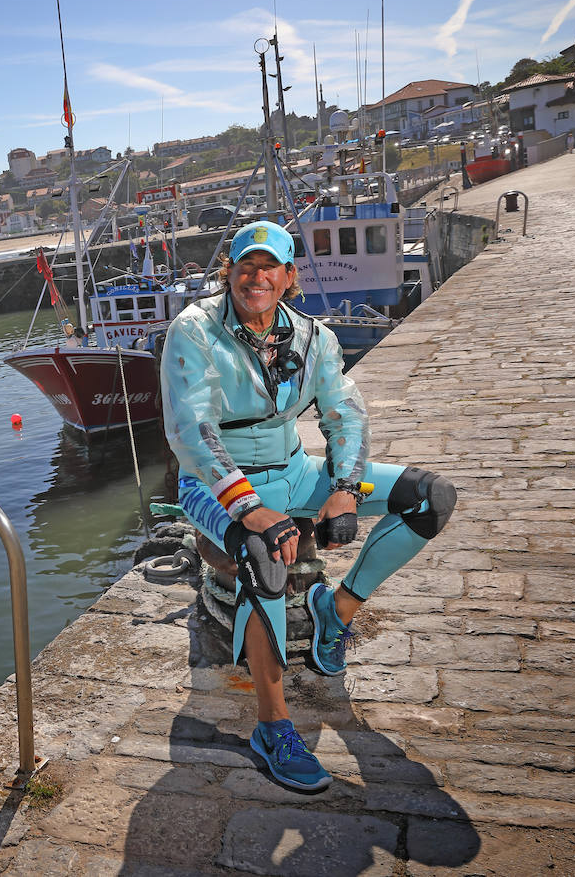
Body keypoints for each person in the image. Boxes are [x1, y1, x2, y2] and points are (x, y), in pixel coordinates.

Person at [160, 221, 457, 791]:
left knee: (428, 498)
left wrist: (344, 485)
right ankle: (272, 728)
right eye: (247, 266)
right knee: (263, 553)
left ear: (289, 277)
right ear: (229, 272)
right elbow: (191, 430)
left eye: (270, 267)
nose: (257, 277)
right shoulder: (193, 331)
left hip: (298, 474)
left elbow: (344, 413)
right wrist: (249, 509)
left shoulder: (314, 336)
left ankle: (335, 612)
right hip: (216, 484)